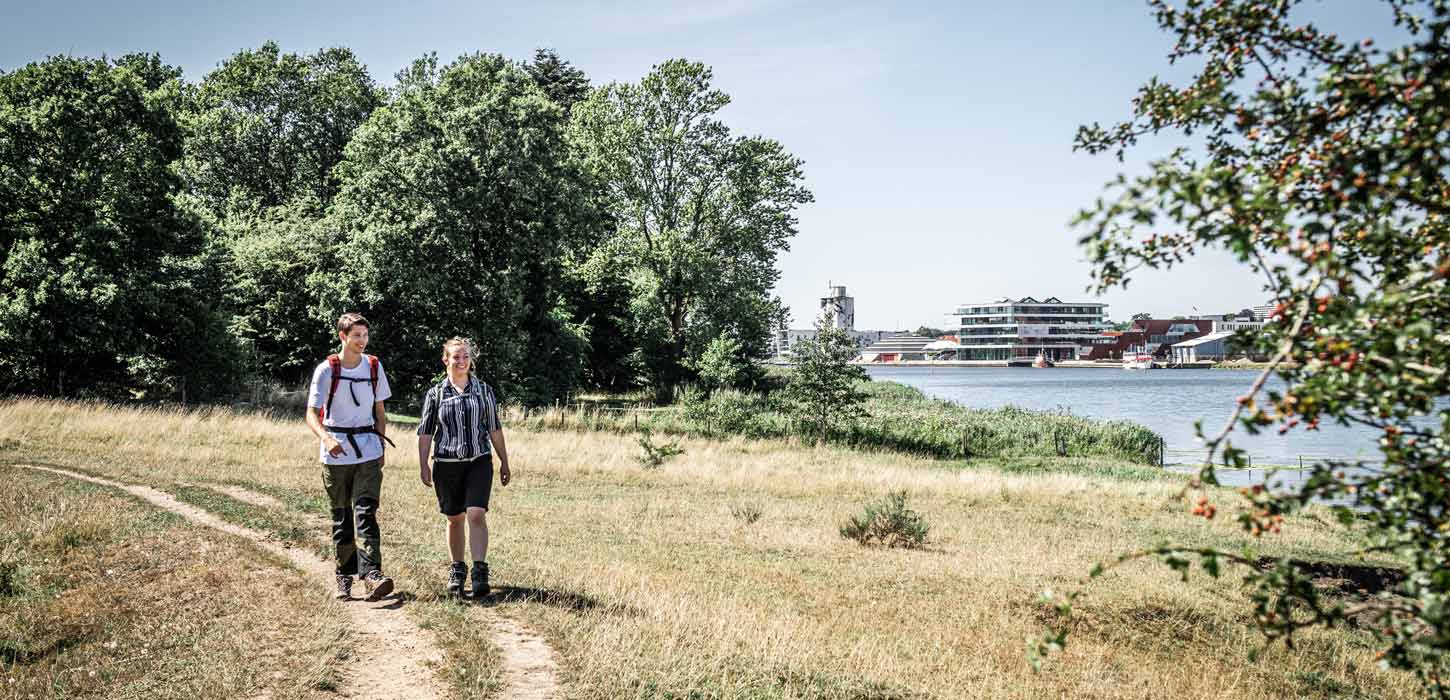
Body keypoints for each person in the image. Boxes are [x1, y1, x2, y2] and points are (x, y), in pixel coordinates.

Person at [306, 313, 397, 601]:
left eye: (365, 335)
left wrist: (381, 447)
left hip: (368, 448)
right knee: (342, 516)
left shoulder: (373, 366)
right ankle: (344, 574)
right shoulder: (326, 370)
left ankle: (372, 574)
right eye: (356, 335)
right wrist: (326, 438)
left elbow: (380, 411)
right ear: (343, 336)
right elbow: (311, 413)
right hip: (335, 452)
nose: (362, 341)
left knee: (366, 512)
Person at [416, 337, 511, 599]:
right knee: (454, 518)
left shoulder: (484, 391)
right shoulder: (436, 394)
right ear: (445, 360)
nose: (462, 361)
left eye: (466, 356)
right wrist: (423, 463)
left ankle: (480, 572)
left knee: (476, 514)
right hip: (446, 464)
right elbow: (425, 432)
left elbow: (494, 427)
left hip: (479, 461)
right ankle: (457, 570)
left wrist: (504, 460)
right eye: (456, 357)